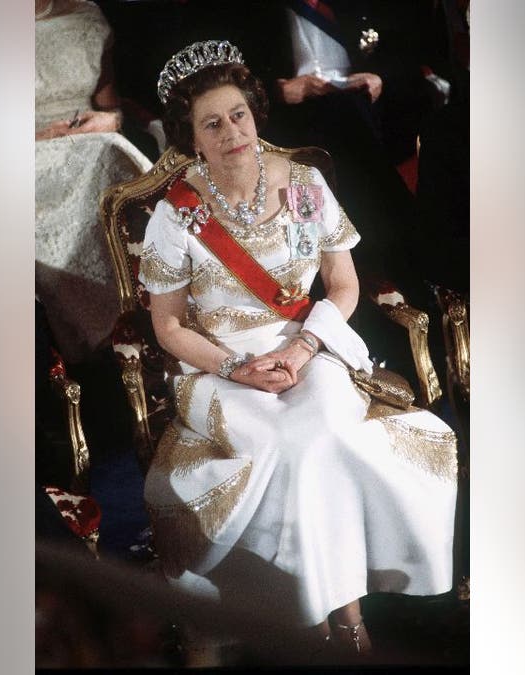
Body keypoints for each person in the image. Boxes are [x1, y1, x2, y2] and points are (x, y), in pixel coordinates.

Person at [138, 40, 457, 658]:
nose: (231, 131)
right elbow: (170, 328)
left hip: (308, 345)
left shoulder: (306, 184)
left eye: (239, 114)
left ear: (256, 113)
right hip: (220, 365)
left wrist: (305, 347)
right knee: (286, 445)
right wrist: (238, 366)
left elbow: (343, 287)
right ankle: (326, 623)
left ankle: (342, 615)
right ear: (191, 139)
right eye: (212, 123)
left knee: (326, 434)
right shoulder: (174, 216)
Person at [35, 0, 152, 363]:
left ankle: (145, 318)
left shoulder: (85, 13)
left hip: (92, 145)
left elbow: (110, 105)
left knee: (114, 154)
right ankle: (94, 344)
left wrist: (110, 121)